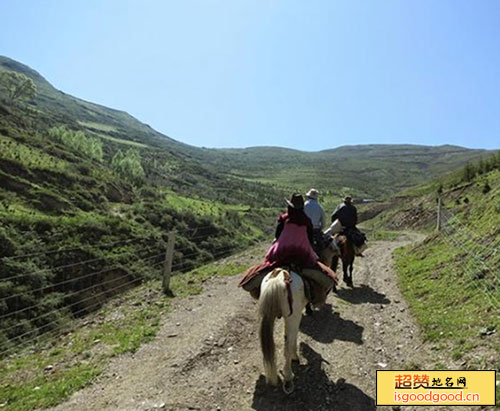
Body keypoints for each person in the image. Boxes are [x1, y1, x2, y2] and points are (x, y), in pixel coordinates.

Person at [265, 193, 317, 267]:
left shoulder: (284, 219)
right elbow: (310, 239)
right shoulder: (307, 221)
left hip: (282, 250)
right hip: (302, 252)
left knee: (269, 261)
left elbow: (277, 235)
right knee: (315, 265)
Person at [304, 188, 327, 254]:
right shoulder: (319, 207)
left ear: (308, 196)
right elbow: (323, 221)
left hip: (305, 229)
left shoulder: (304, 205)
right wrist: (320, 228)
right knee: (322, 247)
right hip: (316, 230)